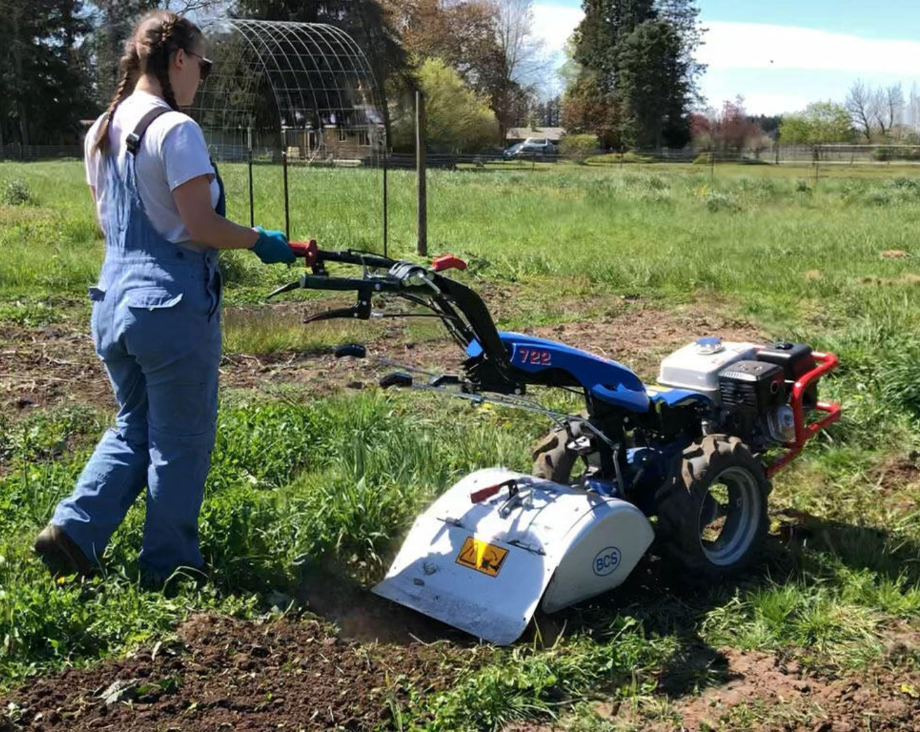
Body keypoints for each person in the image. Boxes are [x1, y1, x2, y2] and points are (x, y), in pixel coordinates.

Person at [33, 9, 295, 584]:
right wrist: (261, 241)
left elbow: (110, 226)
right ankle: (169, 567)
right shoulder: (176, 130)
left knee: (135, 426)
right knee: (182, 439)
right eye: (203, 64)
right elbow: (199, 225)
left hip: (113, 301)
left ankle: (74, 533)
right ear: (179, 59)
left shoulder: (100, 129)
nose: (202, 76)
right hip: (171, 307)